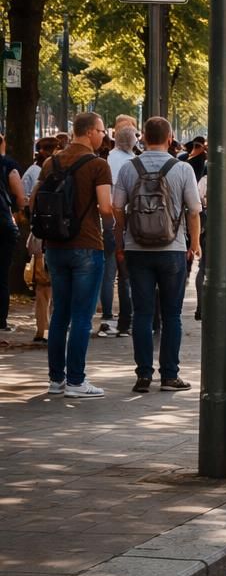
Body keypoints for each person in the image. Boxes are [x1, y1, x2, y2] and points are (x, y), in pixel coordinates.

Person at [113, 116, 200, 393]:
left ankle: (143, 375)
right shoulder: (182, 168)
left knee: (142, 313)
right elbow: (194, 210)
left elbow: (117, 208)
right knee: (172, 314)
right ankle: (170, 375)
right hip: (171, 249)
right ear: (170, 136)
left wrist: (121, 242)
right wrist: (194, 243)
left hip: (136, 249)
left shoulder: (129, 168)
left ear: (143, 137)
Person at [30, 112, 113, 398]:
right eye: (102, 131)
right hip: (87, 245)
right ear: (90, 132)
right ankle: (77, 381)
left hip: (55, 246)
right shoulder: (98, 165)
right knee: (82, 316)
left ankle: (56, 380)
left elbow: (34, 200)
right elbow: (104, 207)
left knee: (60, 314)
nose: (104, 136)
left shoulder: (51, 162)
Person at [98, 124, 138, 339]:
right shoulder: (131, 163)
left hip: (106, 220)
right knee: (124, 275)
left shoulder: (108, 158)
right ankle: (125, 320)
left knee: (108, 270)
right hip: (122, 221)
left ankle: (106, 317)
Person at [0, 133, 23, 332]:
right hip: (3, 223)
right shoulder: (8, 165)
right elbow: (19, 194)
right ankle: (1, 320)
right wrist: (19, 209)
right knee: (2, 273)